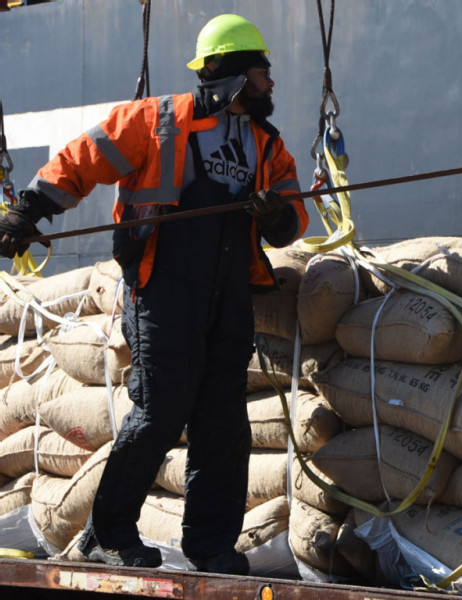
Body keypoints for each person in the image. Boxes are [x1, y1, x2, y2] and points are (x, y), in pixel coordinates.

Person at [0, 14, 308, 575]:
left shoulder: (267, 144)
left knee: (222, 424)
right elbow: (82, 159)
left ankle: (211, 546)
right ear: (232, 74)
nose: (271, 85)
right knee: (160, 412)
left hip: (229, 295)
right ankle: (107, 533)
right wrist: (28, 210)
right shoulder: (156, 121)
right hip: (164, 291)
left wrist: (279, 215)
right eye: (263, 73)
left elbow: (293, 218)